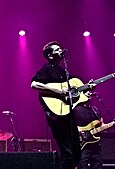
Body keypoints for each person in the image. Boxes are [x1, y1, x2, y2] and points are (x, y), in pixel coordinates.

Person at [31, 41, 96, 169]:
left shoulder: (64, 72)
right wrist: (59, 91)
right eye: (57, 49)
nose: (61, 50)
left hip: (69, 115)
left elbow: (74, 91)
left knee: (77, 151)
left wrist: (86, 91)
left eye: (61, 48)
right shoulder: (47, 68)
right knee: (67, 152)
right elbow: (34, 84)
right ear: (50, 55)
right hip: (57, 116)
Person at [73, 93, 103, 169]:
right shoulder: (75, 109)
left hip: (95, 146)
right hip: (83, 146)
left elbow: (100, 124)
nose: (89, 92)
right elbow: (68, 125)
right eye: (86, 91)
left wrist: (104, 126)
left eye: (90, 91)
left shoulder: (95, 110)